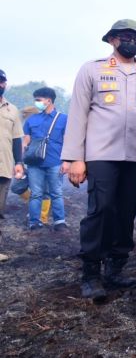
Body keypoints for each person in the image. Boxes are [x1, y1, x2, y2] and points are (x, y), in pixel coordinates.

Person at [61, 19, 136, 300]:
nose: (132, 41)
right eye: (126, 36)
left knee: (126, 212)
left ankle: (115, 268)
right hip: (101, 154)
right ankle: (91, 273)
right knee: (101, 210)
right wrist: (75, 158)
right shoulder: (93, 69)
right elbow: (78, 114)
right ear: (112, 40)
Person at [23, 87, 67, 230]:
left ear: (49, 100)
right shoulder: (32, 120)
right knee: (36, 194)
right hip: (34, 163)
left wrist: (67, 161)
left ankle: (59, 221)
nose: (36, 103)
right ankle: (34, 222)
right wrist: (21, 160)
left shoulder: (63, 119)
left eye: (38, 100)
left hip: (55, 162)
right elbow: (26, 140)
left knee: (56, 193)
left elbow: (68, 141)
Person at [0, 69, 24, 262]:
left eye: (1, 81)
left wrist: (19, 162)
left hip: (3, 168)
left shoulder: (12, 110)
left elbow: (17, 139)